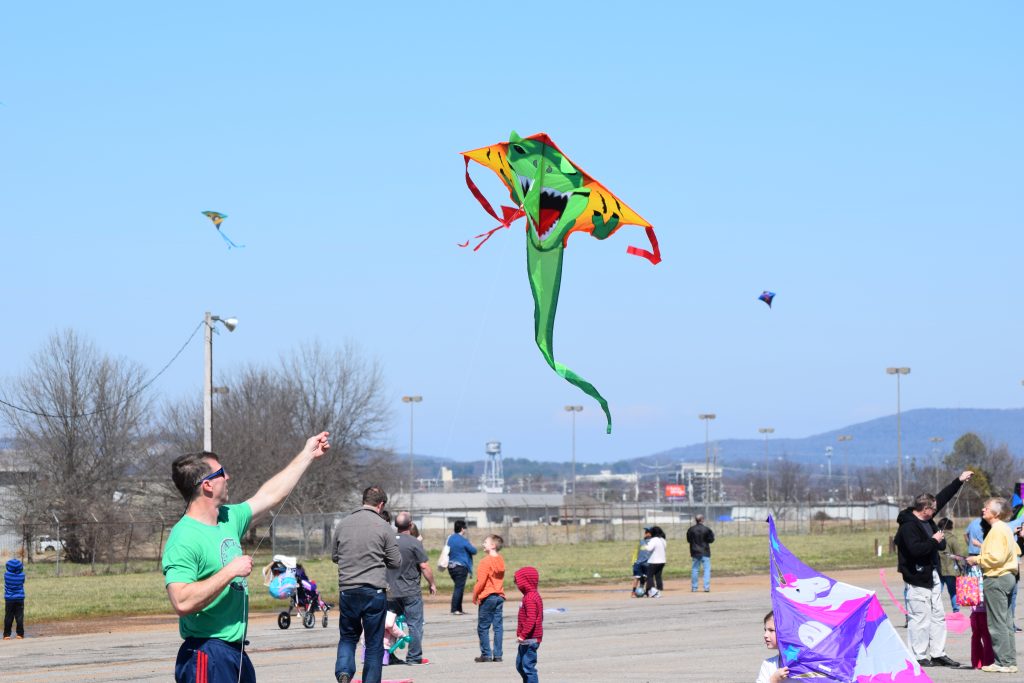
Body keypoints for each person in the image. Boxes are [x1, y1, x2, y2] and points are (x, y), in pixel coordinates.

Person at [162, 432, 330, 683]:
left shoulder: (228, 517)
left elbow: (271, 495)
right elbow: (182, 601)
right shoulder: (183, 538)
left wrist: (307, 454)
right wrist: (230, 571)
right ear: (207, 485)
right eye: (221, 473)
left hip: (235, 652)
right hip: (206, 654)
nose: (227, 477)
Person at [893, 470, 972, 668]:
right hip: (917, 579)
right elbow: (915, 550)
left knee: (937, 615)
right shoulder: (908, 527)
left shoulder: (927, 519)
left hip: (933, 575)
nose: (936, 511)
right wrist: (933, 540)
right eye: (933, 508)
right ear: (925, 509)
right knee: (920, 618)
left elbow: (943, 497)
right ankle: (919, 655)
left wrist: (959, 481)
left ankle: (938, 653)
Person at [332, 485, 402, 683]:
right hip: (374, 590)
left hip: (348, 590)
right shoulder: (384, 527)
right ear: (381, 505)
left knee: (347, 637)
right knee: (373, 643)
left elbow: (335, 556)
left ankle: (344, 672)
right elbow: (396, 562)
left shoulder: (343, 524)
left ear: (363, 501)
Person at [966, 497, 1021, 673]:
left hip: (997, 577)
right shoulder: (1005, 529)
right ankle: (1009, 661)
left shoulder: (997, 530)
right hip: (1007, 576)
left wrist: (976, 559)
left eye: (987, 508)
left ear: (996, 513)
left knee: (997, 623)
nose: (983, 510)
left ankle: (1003, 662)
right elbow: (1016, 550)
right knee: (1005, 622)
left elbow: (996, 557)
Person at [385, 511, 436, 666]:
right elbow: (424, 566)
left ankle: (388, 655)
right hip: (410, 591)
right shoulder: (414, 542)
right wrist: (432, 583)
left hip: (390, 591)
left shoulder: (387, 541)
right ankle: (414, 657)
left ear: (395, 525)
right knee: (415, 624)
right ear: (411, 524)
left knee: (388, 625)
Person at [473, 534, 505, 662]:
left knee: (483, 627)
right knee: (498, 627)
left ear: (493, 545)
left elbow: (481, 582)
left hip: (488, 596)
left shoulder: (485, 561)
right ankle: (497, 654)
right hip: (499, 596)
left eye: (485, 542)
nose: (483, 544)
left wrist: (475, 595)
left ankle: (486, 654)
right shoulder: (501, 560)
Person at [514, 566, 543, 683]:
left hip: (530, 639)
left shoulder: (530, 598)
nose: (516, 584)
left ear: (525, 582)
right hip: (526, 639)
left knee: (528, 667)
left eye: (517, 581)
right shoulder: (528, 596)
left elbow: (531, 618)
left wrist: (523, 635)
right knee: (520, 665)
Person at [446, 520, 477, 615]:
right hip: (461, 567)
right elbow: (474, 551)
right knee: (459, 588)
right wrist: (471, 544)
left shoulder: (450, 538)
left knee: (459, 587)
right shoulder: (463, 540)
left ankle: (459, 609)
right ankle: (455, 609)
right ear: (462, 529)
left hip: (451, 567)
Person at [935, 518, 964, 613]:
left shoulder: (935, 538)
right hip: (951, 570)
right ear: (950, 527)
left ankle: (934, 610)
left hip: (938, 569)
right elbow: (958, 555)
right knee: (953, 592)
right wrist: (962, 569)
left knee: (936, 592)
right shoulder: (952, 539)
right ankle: (956, 611)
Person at [756, 611, 789, 683]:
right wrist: (774, 679)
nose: (765, 635)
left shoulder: (807, 664)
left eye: (771, 630)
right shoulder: (768, 664)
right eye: (765, 630)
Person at [687, 514, 715, 592]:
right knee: (706, 569)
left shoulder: (691, 529)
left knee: (695, 570)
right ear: (702, 520)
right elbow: (711, 540)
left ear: (696, 520)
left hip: (695, 552)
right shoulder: (707, 529)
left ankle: (694, 587)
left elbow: (689, 540)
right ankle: (706, 587)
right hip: (705, 551)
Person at [3, 558, 25, 640]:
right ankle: (20, 634)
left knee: (8, 617)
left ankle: (6, 635)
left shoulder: (6, 575)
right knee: (19, 617)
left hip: (9, 599)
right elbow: (22, 581)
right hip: (20, 598)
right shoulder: (22, 575)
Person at [643, 526, 667, 598]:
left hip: (654, 561)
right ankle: (659, 589)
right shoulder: (663, 540)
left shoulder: (653, 540)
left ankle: (653, 591)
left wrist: (645, 544)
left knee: (649, 576)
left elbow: (649, 548)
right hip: (662, 561)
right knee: (658, 576)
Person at [631, 528, 653, 597]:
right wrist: (633, 562)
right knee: (638, 578)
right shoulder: (642, 542)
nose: (646, 534)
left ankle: (644, 591)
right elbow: (636, 552)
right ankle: (635, 592)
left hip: (644, 563)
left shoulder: (650, 542)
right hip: (640, 563)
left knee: (643, 578)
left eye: (647, 532)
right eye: (646, 532)